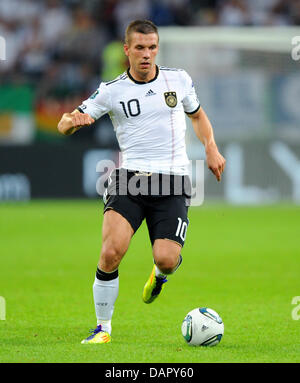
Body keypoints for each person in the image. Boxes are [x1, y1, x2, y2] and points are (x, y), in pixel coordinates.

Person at [57, 19, 226, 344]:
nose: (146, 54)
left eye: (151, 48)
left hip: (172, 182)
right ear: (127, 50)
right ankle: (102, 329)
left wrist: (211, 148)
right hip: (130, 180)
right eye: (139, 48)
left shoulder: (178, 80)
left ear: (157, 49)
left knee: (166, 258)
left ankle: (160, 275)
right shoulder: (112, 90)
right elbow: (67, 122)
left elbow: (198, 116)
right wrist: (71, 122)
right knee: (111, 252)